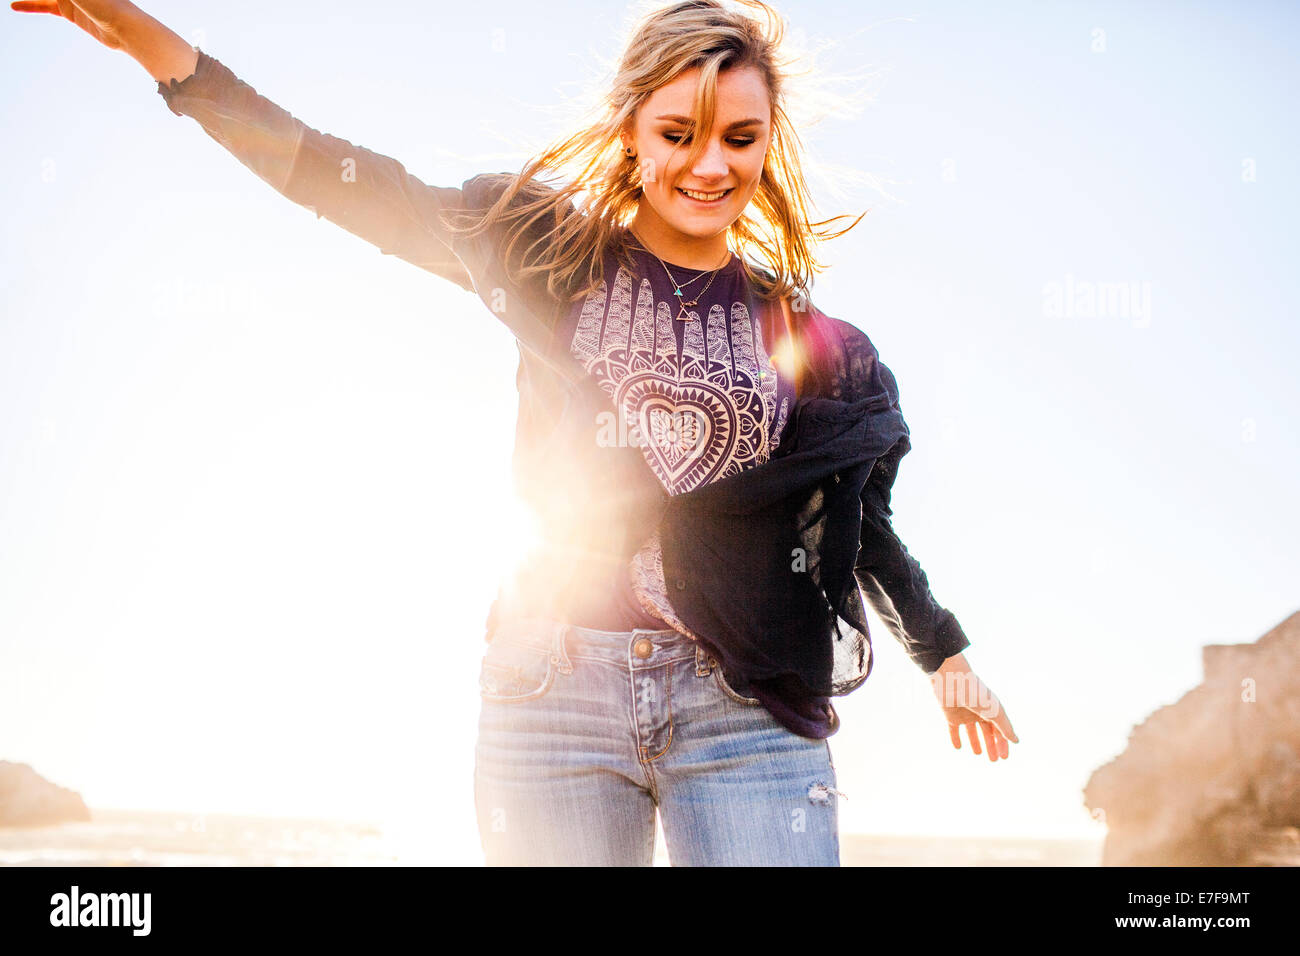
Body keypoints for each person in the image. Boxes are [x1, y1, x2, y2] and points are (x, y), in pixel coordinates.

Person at [13, 0, 1019, 866]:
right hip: (552, 693)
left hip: (745, 711)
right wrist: (160, 51)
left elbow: (851, 524)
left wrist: (944, 651)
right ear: (631, 128)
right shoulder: (542, 253)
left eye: (740, 138)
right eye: (677, 132)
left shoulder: (809, 341)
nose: (709, 165)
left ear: (770, 140)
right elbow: (338, 175)